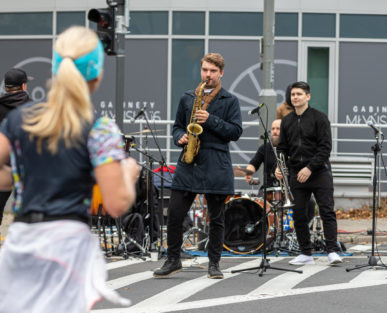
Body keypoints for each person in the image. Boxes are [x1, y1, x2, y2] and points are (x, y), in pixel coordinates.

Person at [0, 26, 141, 313]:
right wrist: (129, 173)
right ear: (97, 76)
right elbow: (115, 204)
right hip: (66, 244)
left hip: (23, 236)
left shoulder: (19, 121)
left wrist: (18, 175)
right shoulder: (99, 129)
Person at [153, 53, 242, 279]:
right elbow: (176, 127)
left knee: (217, 218)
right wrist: (180, 136)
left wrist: (210, 119)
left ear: (221, 73)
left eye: (213, 71)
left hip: (216, 163)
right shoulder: (187, 98)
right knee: (174, 214)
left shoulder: (230, 100)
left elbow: (235, 132)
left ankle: (214, 264)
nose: (208, 75)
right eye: (205, 70)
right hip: (189, 162)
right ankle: (173, 259)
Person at [275, 81, 342, 266]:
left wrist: (310, 168)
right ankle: (305, 253)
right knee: (298, 213)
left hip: (319, 172)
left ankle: (332, 251)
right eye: (293, 94)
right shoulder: (286, 121)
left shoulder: (319, 118)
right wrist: (279, 166)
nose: (295, 97)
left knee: (327, 211)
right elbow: (282, 147)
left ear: (308, 96)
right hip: (296, 173)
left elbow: (325, 148)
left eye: (299, 94)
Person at [0, 68, 32, 225]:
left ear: (5, 87)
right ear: (24, 86)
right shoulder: (34, 109)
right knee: (29, 214)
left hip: (2, 168)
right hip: (27, 169)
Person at [245, 119, 282, 188]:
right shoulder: (264, 147)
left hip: (286, 189)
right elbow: (254, 163)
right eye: (273, 129)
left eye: (278, 129)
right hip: (268, 188)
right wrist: (249, 173)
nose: (274, 131)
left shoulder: (290, 147)